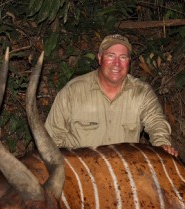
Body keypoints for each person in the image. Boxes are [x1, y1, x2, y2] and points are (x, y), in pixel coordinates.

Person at [45, 34, 178, 156]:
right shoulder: (72, 91)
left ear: (129, 61)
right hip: (80, 171)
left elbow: (156, 122)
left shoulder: (141, 92)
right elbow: (51, 139)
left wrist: (162, 144)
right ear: (99, 58)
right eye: (111, 56)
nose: (117, 63)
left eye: (123, 57)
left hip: (124, 171)